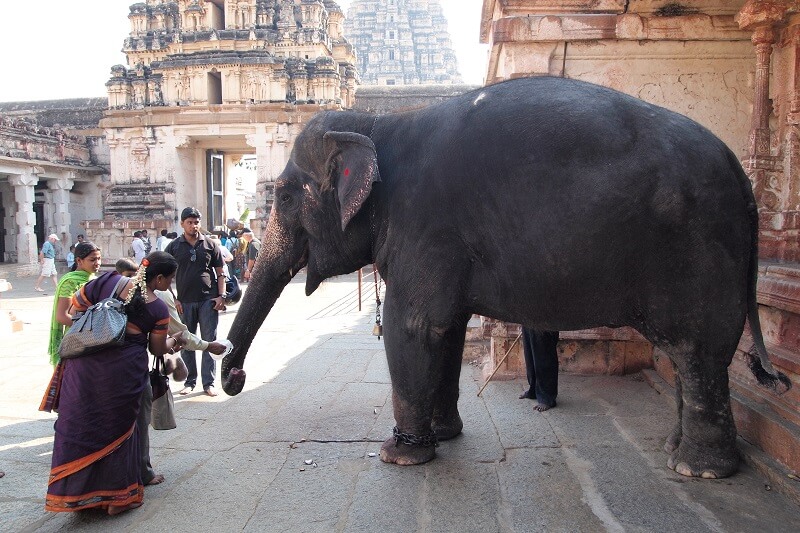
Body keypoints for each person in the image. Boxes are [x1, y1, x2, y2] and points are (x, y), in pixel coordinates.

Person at [41, 251, 179, 515]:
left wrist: (101, 327)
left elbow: (73, 312)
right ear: (159, 278)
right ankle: (117, 499)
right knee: (120, 432)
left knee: (82, 424)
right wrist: (176, 342)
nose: (169, 285)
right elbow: (158, 348)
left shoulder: (105, 281)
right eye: (169, 280)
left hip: (83, 367)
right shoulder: (157, 307)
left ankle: (78, 496)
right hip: (122, 374)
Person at [165, 207, 227, 397]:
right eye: (190, 222)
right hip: (184, 302)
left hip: (208, 301)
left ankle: (208, 383)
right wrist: (174, 299)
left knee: (210, 341)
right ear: (182, 224)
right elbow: (163, 275)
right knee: (186, 341)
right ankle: (190, 381)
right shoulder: (174, 246)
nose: (194, 226)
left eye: (196, 222)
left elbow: (220, 272)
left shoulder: (210, 244)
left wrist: (221, 296)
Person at [46, 241, 102, 366]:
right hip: (76, 338)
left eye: (99, 259)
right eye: (92, 259)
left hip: (94, 338)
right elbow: (62, 316)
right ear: (79, 261)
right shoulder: (70, 282)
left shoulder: (94, 280)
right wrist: (88, 327)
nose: (97, 263)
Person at [518, 328, 560, 412]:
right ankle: (533, 390)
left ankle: (547, 398)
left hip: (545, 321)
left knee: (544, 355)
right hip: (529, 318)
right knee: (530, 355)